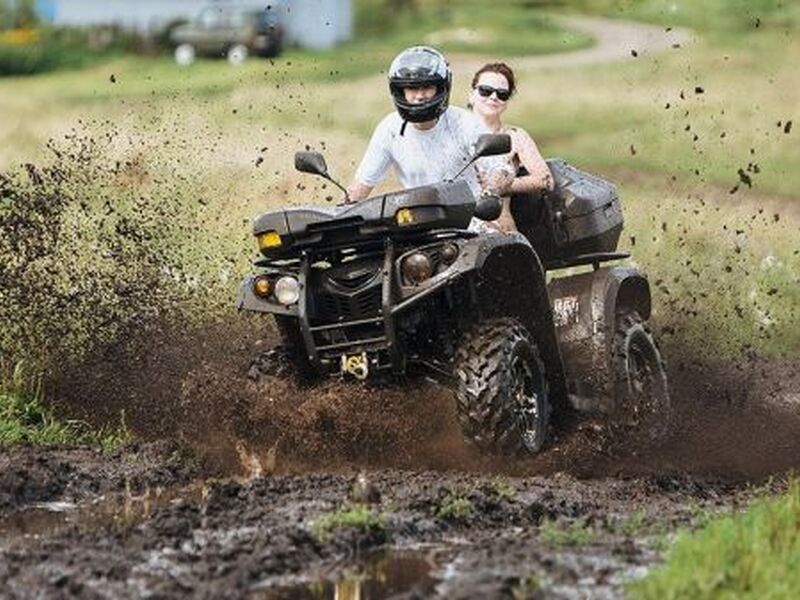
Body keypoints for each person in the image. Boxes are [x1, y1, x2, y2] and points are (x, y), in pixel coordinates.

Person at [346, 46, 488, 202]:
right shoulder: (390, 128)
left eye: (427, 87)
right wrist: (340, 215)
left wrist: (492, 193)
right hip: (419, 217)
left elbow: (496, 171)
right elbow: (361, 186)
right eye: (412, 88)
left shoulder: (465, 123)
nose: (420, 96)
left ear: (441, 88)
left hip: (470, 216)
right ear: (400, 91)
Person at [468, 62, 554, 233]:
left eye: (502, 94)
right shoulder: (451, 132)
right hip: (452, 225)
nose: (493, 97)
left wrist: (506, 185)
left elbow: (546, 180)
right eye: (485, 90)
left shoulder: (515, 135)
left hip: (498, 229)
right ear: (471, 94)